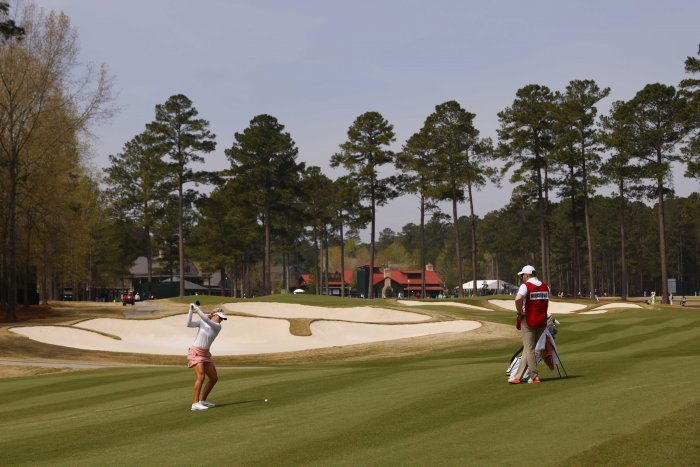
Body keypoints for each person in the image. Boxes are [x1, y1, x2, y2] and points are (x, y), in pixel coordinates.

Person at [509, 265, 549, 385]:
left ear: (527, 275)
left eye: (522, 276)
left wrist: (519, 311)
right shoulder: (545, 286)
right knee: (528, 348)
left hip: (529, 320)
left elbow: (518, 299)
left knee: (529, 349)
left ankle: (534, 376)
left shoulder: (525, 286)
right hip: (542, 321)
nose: (522, 278)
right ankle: (518, 376)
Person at [187, 302, 228, 411]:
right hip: (195, 352)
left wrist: (197, 308)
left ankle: (202, 401)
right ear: (215, 315)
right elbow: (189, 324)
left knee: (214, 378)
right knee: (201, 377)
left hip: (205, 354)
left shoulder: (217, 327)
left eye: (222, 319)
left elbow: (207, 320)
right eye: (220, 317)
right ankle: (195, 404)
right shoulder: (202, 322)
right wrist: (191, 310)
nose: (221, 320)